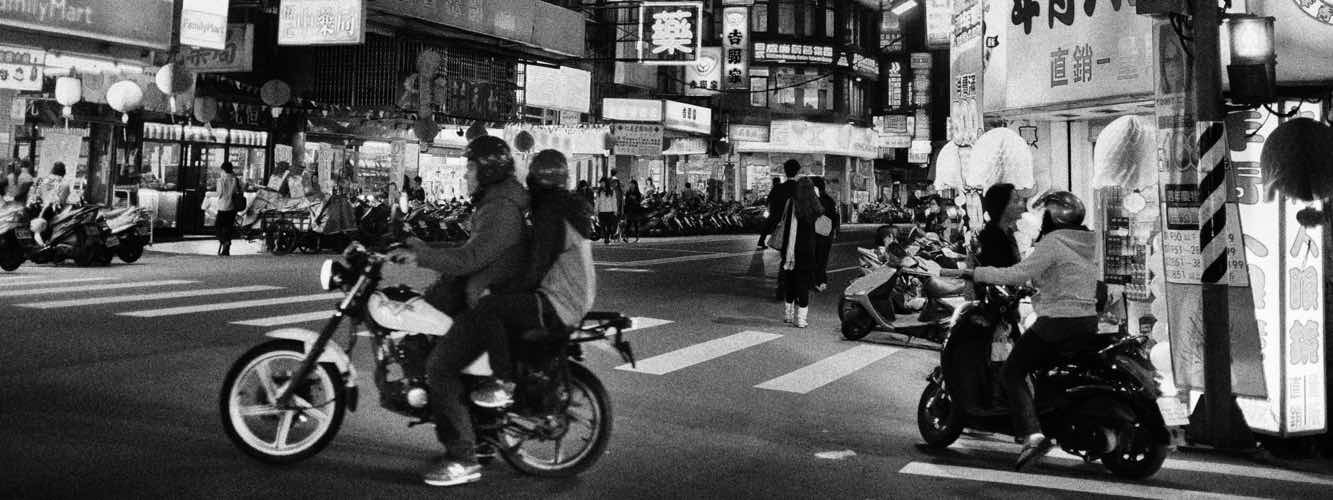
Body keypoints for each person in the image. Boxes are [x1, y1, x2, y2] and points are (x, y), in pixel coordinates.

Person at [388, 136, 531, 487]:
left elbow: (469, 259)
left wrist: (421, 256)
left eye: (469, 167)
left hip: (489, 303)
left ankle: (462, 458)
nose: (465, 175)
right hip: (481, 295)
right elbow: (471, 249)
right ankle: (479, 436)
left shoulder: (501, 208)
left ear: (487, 170)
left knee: (440, 368)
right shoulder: (496, 202)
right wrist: (423, 246)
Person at [947, 191, 1098, 471]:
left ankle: (1032, 434)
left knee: (1012, 371)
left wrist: (975, 274)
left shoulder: (1053, 242)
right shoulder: (1088, 241)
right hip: (1087, 319)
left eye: (1044, 214)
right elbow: (1066, 275)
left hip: (1057, 320)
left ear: (1053, 217)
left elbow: (1015, 273)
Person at [464, 149, 596, 412]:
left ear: (535, 181)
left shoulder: (551, 212)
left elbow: (536, 267)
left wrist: (501, 289)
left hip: (558, 301)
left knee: (489, 307)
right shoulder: (567, 207)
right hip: (576, 297)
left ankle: (504, 383)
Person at [779, 178, 823, 328]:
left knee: (790, 283)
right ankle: (802, 320)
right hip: (807, 250)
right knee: (804, 284)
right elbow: (822, 229)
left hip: (791, 250)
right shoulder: (815, 205)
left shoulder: (791, 203)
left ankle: (788, 315)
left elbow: (784, 223)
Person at [810, 177, 840, 292]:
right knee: (822, 259)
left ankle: (816, 281)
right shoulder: (829, 200)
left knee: (814, 258)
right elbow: (835, 218)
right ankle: (821, 281)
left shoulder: (814, 201)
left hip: (815, 235)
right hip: (827, 235)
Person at [215, 162, 240, 256]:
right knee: (228, 228)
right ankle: (226, 250)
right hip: (232, 207)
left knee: (218, 227)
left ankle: (224, 241)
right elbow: (239, 191)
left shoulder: (221, 180)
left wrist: (208, 195)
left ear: (223, 170)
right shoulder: (235, 179)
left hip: (223, 207)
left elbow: (219, 194)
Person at [594, 177, 619, 244]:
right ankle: (606, 237)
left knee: (608, 226)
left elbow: (614, 201)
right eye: (601, 183)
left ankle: (607, 238)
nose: (601, 184)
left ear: (606, 183)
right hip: (601, 211)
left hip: (609, 211)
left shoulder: (611, 191)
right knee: (602, 226)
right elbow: (597, 201)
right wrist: (596, 210)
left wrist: (615, 210)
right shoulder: (599, 192)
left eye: (602, 183)